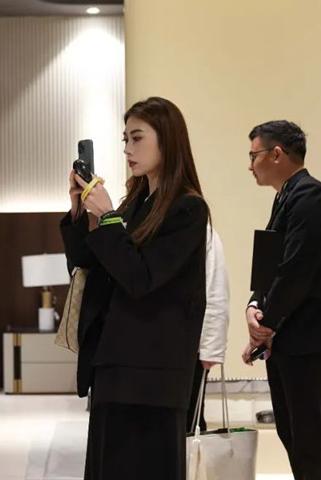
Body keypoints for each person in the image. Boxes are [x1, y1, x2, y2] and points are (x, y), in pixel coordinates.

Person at [60, 96, 209, 480]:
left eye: (137, 138)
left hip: (154, 373)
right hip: (115, 361)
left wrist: (108, 217)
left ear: (167, 140)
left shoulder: (188, 209)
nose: (128, 148)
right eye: (125, 139)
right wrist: (81, 213)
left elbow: (141, 278)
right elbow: (87, 265)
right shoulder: (134, 204)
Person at [242, 120, 321, 480]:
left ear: (276, 154)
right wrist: (255, 307)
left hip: (311, 343)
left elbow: (296, 271)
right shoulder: (289, 196)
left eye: (253, 155)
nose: (249, 165)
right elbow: (271, 265)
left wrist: (265, 325)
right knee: (293, 435)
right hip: (291, 341)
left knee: (312, 442)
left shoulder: (311, 197)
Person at [186, 225, 230, 433]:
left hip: (189, 350)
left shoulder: (200, 227)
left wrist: (211, 348)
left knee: (188, 424)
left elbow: (215, 288)